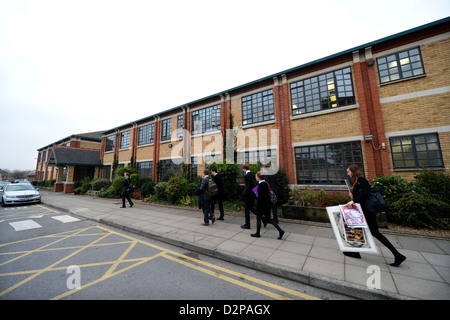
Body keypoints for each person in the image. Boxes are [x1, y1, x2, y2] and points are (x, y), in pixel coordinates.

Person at [345, 164, 406, 267]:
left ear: (354, 171)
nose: (348, 173)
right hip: (362, 211)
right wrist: (352, 196)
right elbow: (361, 195)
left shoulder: (361, 180)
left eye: (349, 171)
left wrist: (353, 200)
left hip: (368, 212)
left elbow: (366, 194)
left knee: (374, 233)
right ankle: (356, 252)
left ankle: (398, 255)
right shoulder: (356, 182)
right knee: (360, 231)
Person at [251, 171, 285, 240]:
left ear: (258, 177)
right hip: (266, 205)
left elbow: (260, 198)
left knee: (258, 219)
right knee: (269, 219)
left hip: (261, 206)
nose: (255, 177)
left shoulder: (261, 185)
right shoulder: (265, 184)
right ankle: (280, 231)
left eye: (256, 176)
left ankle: (258, 233)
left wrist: (258, 206)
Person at [241, 164, 257, 229]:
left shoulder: (246, 176)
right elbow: (254, 185)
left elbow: (248, 186)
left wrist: (244, 193)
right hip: (252, 194)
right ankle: (264, 219)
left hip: (248, 195)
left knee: (247, 210)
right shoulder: (252, 174)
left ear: (244, 168)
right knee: (252, 208)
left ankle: (247, 224)